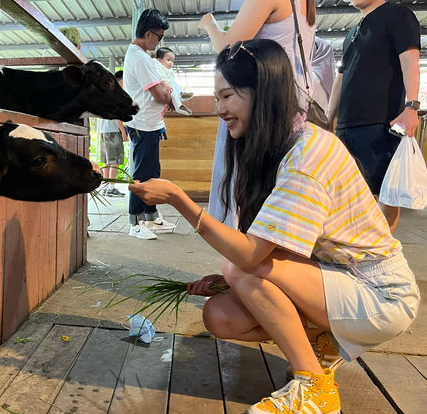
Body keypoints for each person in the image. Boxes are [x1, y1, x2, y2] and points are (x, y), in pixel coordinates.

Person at [130, 38, 419, 414]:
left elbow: (251, 255)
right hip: (338, 277)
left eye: (227, 96)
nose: (219, 110)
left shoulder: (308, 154)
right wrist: (227, 282)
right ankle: (321, 343)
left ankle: (315, 387)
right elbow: (273, 248)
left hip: (380, 293)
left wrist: (178, 200)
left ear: (261, 91)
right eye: (216, 99)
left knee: (240, 266)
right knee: (219, 314)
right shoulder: (278, 147)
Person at [199, 0, 316, 225]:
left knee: (246, 177)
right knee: (274, 179)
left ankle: (243, 244)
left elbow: (227, 49)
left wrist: (209, 24)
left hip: (259, 94)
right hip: (291, 95)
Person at [327, 0, 421, 233]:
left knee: (383, 192)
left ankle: (381, 252)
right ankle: (358, 249)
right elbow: (341, 77)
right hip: (346, 127)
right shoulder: (351, 34)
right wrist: (328, 117)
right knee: (349, 193)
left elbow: (410, 61)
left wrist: (411, 105)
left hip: (381, 124)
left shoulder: (398, 15)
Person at [122, 8, 176, 240]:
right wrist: (168, 97)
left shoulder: (140, 56)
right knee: (142, 175)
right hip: (142, 125)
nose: (159, 41)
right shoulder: (140, 58)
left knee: (152, 173)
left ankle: (150, 216)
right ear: (148, 33)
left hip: (149, 124)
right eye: (159, 36)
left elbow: (160, 93)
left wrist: (167, 95)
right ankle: (135, 221)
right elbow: (158, 95)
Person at [96, 70, 128, 196]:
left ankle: (106, 186)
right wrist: (124, 133)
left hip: (104, 130)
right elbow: (117, 116)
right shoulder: (116, 94)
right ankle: (111, 187)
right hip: (113, 131)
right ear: (120, 81)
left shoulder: (105, 93)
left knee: (108, 160)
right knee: (115, 160)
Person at [155, 47, 192, 115]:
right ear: (159, 60)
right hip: (161, 87)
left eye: (172, 61)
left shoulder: (169, 70)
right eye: (168, 60)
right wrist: (164, 83)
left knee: (174, 86)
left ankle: (181, 95)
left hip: (168, 87)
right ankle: (178, 106)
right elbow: (160, 76)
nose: (171, 63)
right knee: (172, 89)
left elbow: (172, 81)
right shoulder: (157, 67)